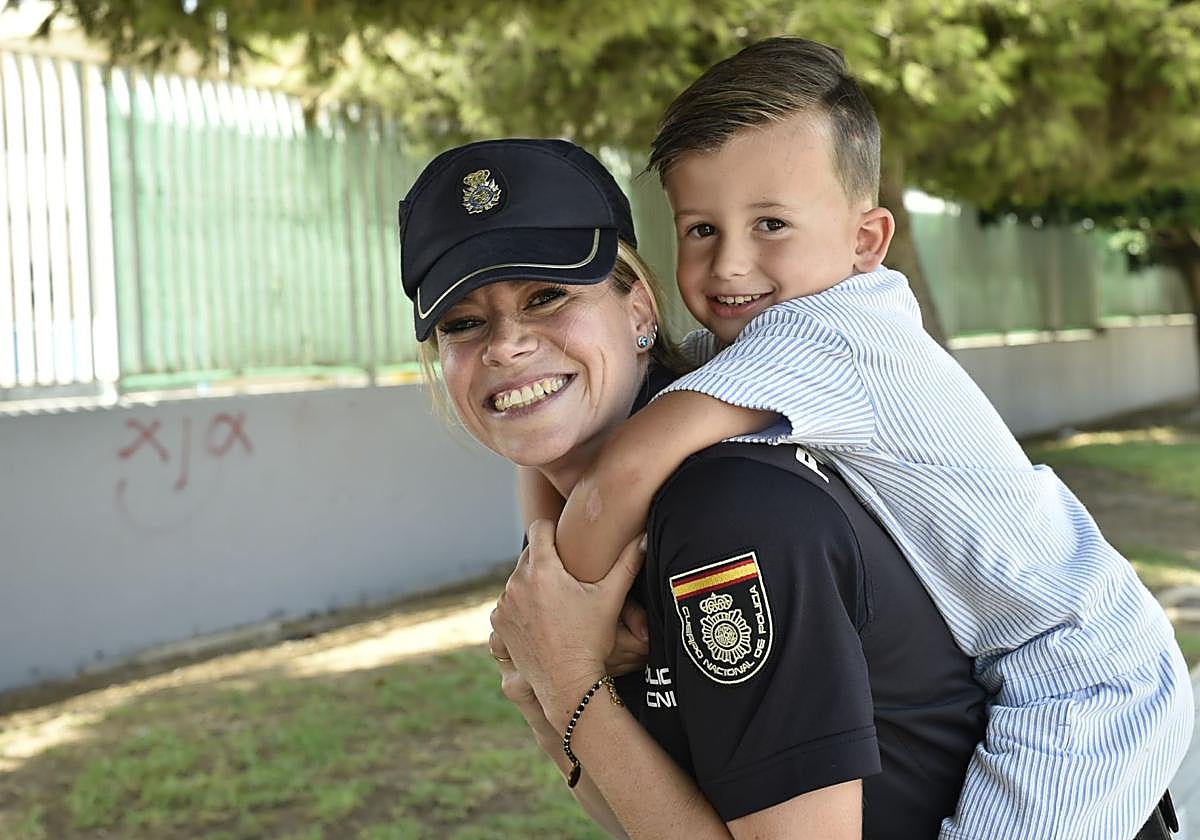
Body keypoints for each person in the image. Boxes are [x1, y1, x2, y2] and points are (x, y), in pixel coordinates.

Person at [516, 38, 1190, 840]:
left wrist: (561, 633)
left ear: (866, 241)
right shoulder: (751, 349)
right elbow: (574, 459)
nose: (731, 263)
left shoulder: (826, 337)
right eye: (700, 228)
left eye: (771, 223)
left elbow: (620, 473)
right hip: (1037, 654)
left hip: (1079, 675)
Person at [398, 137, 989, 837]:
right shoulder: (595, 524)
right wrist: (545, 694)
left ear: (641, 312)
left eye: (548, 295)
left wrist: (568, 682)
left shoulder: (724, 515)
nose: (505, 345)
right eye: (463, 323)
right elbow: (632, 813)